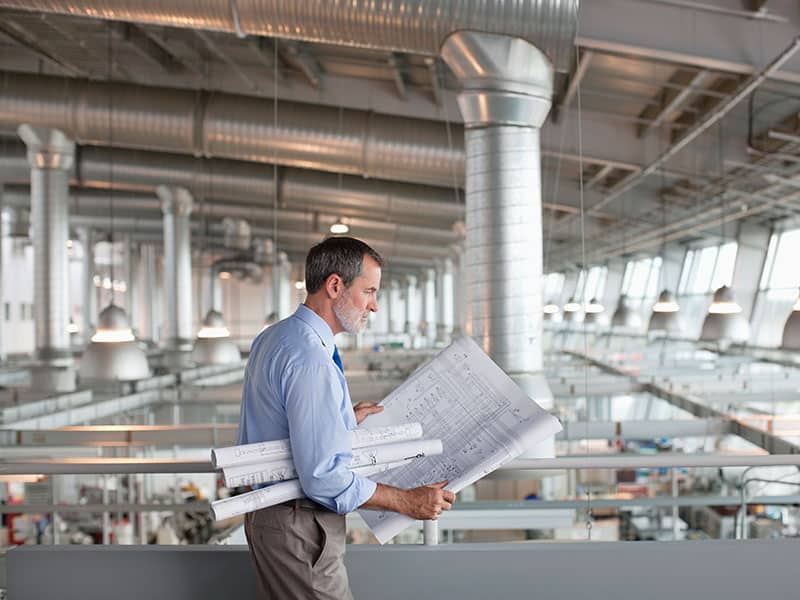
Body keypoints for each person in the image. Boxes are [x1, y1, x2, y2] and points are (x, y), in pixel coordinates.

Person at [237, 236, 455, 600]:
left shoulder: (276, 336)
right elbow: (323, 476)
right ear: (335, 285)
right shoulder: (310, 358)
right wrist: (406, 501)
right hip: (300, 527)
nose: (375, 306)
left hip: (274, 519)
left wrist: (338, 421)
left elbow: (278, 417)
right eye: (369, 291)